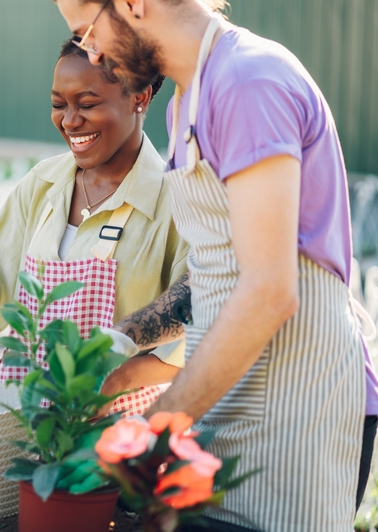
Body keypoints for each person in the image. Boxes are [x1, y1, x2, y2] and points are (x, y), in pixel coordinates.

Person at [55, 0, 378, 530]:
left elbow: (268, 292)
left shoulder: (249, 83)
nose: (91, 53)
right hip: (231, 395)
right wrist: (117, 345)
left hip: (298, 404)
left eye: (88, 33)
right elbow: (217, 267)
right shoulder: (186, 103)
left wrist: (153, 428)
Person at [0, 40, 189, 417]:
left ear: (140, 97)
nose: (69, 121)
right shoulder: (44, 184)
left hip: (120, 426)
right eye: (58, 105)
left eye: (87, 104)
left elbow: (201, 323)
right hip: (28, 417)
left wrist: (116, 379)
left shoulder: (175, 202)